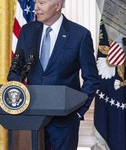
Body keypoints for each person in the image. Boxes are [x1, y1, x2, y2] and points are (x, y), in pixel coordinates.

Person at [7, 0, 99, 149]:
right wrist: (14, 95)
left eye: (41, 3)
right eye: (35, 2)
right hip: (31, 117)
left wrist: (78, 112)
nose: (36, 7)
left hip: (64, 122)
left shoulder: (79, 35)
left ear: (57, 5)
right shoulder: (27, 31)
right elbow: (15, 69)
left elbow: (92, 79)